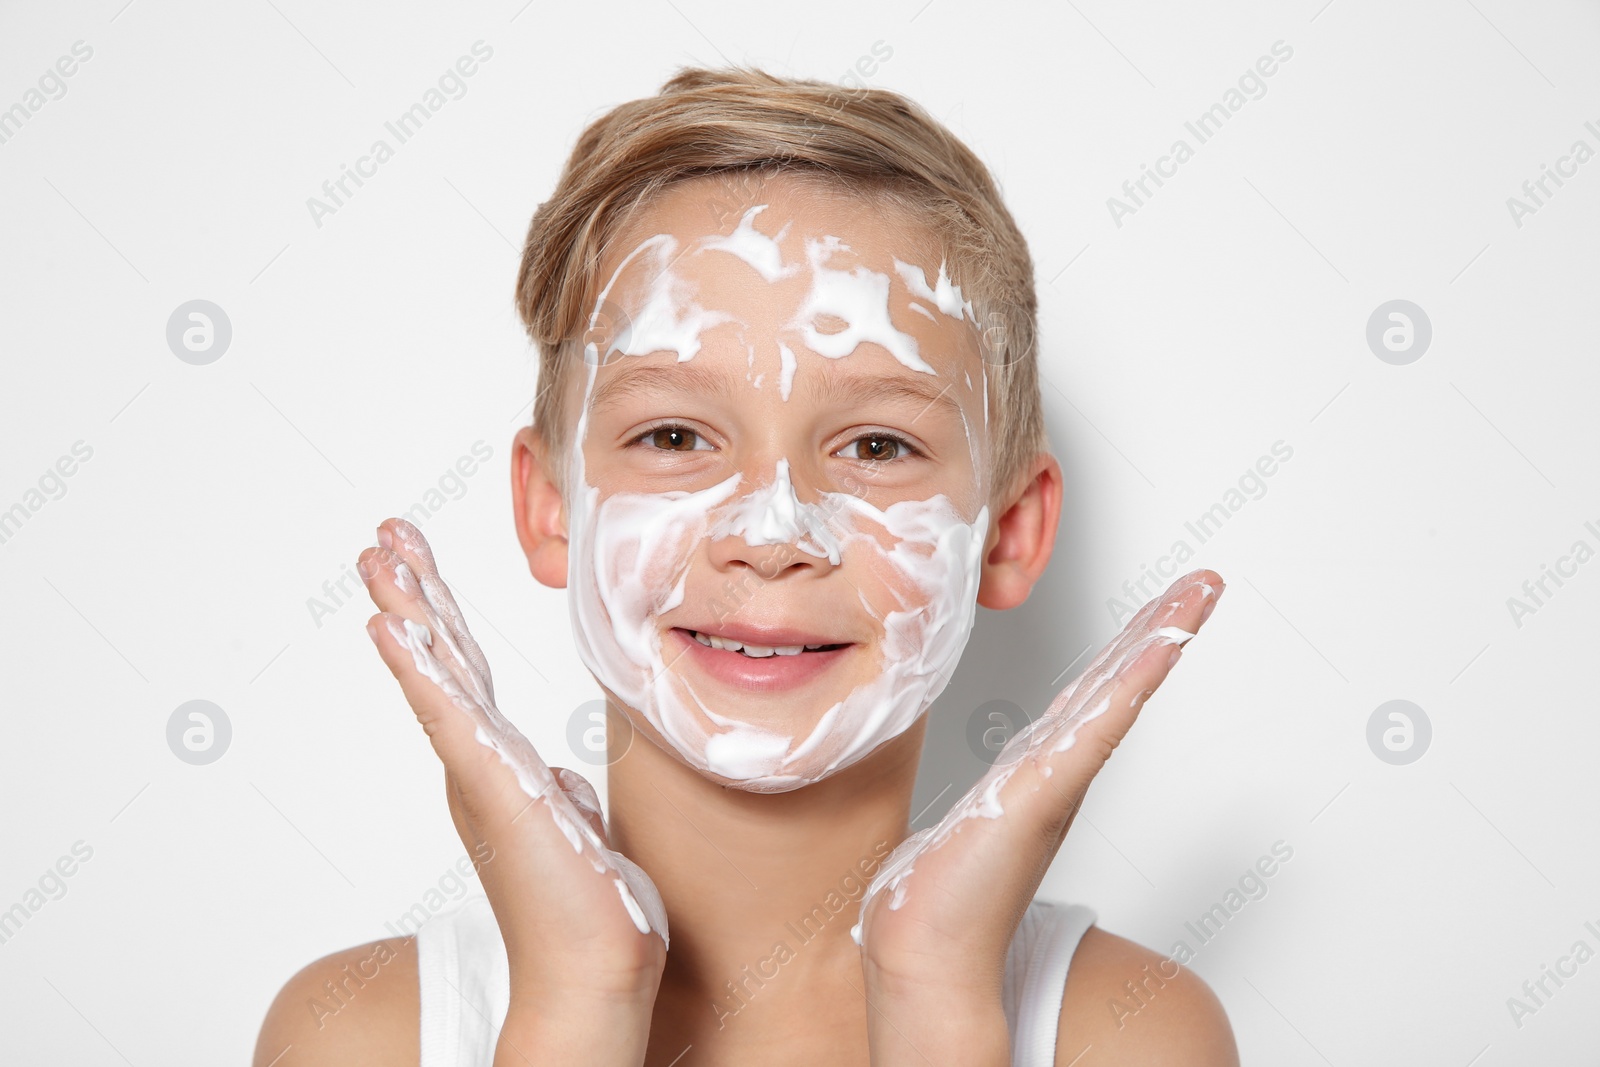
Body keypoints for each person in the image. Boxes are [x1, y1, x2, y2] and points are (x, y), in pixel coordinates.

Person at [254, 65, 1237, 1066]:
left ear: (1008, 529)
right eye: (675, 435)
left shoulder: (1132, 1033)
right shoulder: (356, 1034)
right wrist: (576, 1003)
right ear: (552, 506)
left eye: (876, 446)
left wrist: (934, 996)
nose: (772, 532)